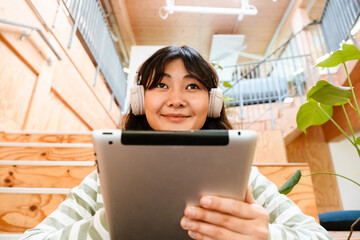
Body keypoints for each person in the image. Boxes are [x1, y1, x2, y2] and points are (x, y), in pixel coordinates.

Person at [21, 45, 332, 240]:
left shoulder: (243, 178)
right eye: (161, 85)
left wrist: (265, 236)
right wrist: (114, 221)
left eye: (192, 86)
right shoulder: (103, 181)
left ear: (212, 103)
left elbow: (317, 237)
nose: (176, 100)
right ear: (140, 100)